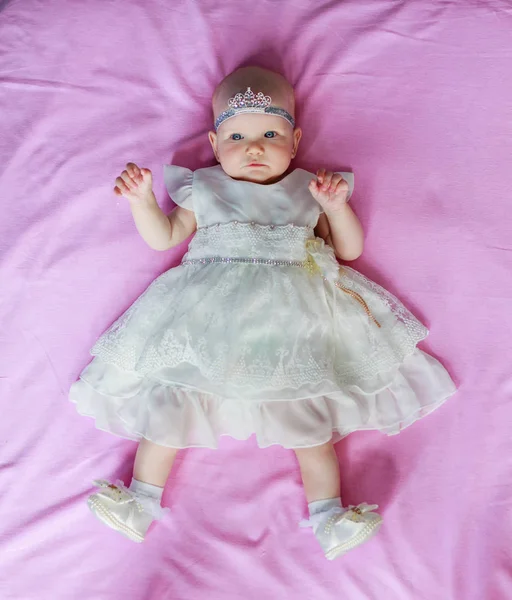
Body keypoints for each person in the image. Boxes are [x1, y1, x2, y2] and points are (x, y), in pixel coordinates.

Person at [70, 66, 456, 560]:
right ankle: (139, 503)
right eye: (237, 136)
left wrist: (336, 209)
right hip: (203, 318)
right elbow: (164, 237)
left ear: (295, 141)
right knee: (174, 398)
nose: (253, 148)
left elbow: (350, 251)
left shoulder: (310, 189)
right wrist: (143, 202)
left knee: (307, 418)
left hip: (291, 325)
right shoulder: (202, 187)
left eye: (270, 134)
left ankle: (329, 519)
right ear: (214, 141)